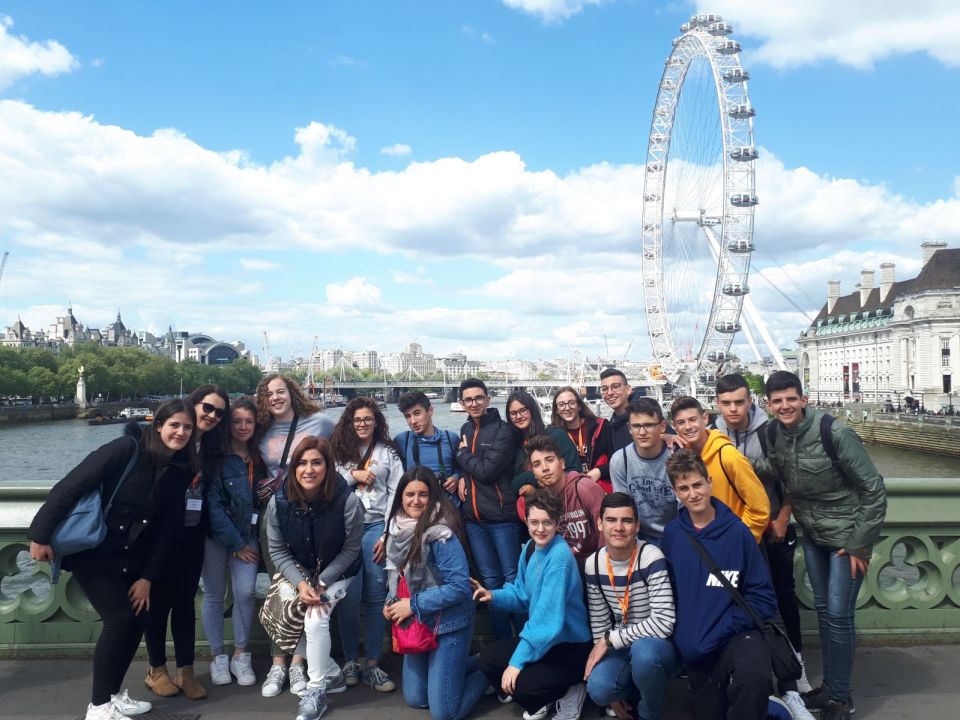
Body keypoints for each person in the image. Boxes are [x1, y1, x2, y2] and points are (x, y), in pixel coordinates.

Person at [29, 400, 197, 720]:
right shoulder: (126, 449)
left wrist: (147, 577)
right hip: (93, 552)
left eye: (188, 427)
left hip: (131, 557)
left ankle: (113, 695)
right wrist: (40, 534)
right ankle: (98, 707)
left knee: (139, 617)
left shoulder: (179, 471)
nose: (181, 432)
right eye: (174, 425)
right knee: (119, 618)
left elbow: (167, 531)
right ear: (158, 425)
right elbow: (71, 485)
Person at [764, 371, 887, 720]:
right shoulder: (774, 434)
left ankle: (842, 699)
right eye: (777, 401)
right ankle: (831, 689)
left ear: (803, 400)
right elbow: (774, 470)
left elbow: (874, 489)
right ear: (769, 405)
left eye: (791, 398)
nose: (785, 406)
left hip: (846, 540)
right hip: (814, 536)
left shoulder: (834, 432)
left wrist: (860, 545)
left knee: (838, 615)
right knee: (825, 613)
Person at [661, 450, 790, 720]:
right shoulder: (673, 534)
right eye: (684, 488)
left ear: (709, 482)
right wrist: (683, 637)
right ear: (675, 492)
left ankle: (764, 703)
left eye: (697, 485)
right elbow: (670, 592)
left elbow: (763, 598)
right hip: (697, 648)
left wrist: (724, 628)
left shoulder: (738, 532)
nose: (693, 494)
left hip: (735, 636)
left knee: (754, 676)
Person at [713, 374, 809, 692]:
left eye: (739, 402)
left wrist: (782, 516)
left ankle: (795, 665)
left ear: (750, 401)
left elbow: (790, 478)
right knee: (732, 598)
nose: (733, 409)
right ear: (717, 404)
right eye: (726, 403)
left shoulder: (770, 432)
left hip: (771, 529)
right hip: (731, 535)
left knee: (782, 596)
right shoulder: (712, 434)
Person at [473, 490, 594, 720]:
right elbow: (522, 594)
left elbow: (547, 623)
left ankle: (573, 687)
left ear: (557, 523)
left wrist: (517, 662)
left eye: (547, 522)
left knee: (523, 685)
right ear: (526, 521)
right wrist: (493, 596)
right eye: (534, 522)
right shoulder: (530, 548)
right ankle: (542, 693)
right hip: (545, 641)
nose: (540, 529)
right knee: (487, 659)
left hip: (570, 645)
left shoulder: (559, 557)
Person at [266, 436, 363, 720]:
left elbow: (351, 550)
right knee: (282, 607)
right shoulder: (279, 502)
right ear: (294, 467)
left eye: (317, 463)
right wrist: (300, 583)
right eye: (302, 463)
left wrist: (322, 583)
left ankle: (316, 690)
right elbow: (277, 550)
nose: (309, 470)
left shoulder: (348, 501)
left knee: (315, 617)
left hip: (339, 570)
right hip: (301, 571)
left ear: (328, 467)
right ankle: (332, 673)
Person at [144, 384, 229, 701]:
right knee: (156, 604)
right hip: (157, 535)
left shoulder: (211, 448)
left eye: (219, 412)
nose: (212, 415)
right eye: (207, 407)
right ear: (193, 403)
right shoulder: (169, 440)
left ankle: (186, 670)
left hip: (192, 535)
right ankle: (156, 669)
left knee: (184, 603)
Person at [383, 467, 487, 720]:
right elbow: (396, 577)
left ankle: (490, 669)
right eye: (409, 494)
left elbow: (460, 588)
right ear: (400, 497)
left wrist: (412, 605)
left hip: (450, 623)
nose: (415, 501)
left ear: (432, 497)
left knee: (445, 713)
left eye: (423, 494)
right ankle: (464, 666)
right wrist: (390, 602)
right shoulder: (396, 531)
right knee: (417, 699)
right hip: (420, 623)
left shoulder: (442, 535)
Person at [256, 373, 336, 698]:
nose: (275, 397)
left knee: (308, 585)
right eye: (269, 394)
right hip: (275, 514)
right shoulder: (260, 430)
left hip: (313, 514)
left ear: (292, 393)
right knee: (280, 586)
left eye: (280, 391)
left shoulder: (321, 422)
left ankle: (298, 663)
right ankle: (278, 663)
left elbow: (343, 453)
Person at [583, 492, 680, 720]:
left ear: (637, 526)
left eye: (626, 520)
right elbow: (599, 622)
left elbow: (664, 623)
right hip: (621, 646)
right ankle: (638, 692)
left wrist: (610, 639)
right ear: (599, 524)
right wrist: (611, 694)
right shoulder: (593, 564)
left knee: (644, 654)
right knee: (598, 688)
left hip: (656, 645)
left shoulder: (650, 557)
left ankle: (649, 712)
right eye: (611, 520)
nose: (619, 527)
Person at [332, 396, 404, 692]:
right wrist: (354, 475)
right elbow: (327, 485)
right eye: (357, 419)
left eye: (367, 419)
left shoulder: (389, 452)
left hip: (376, 526)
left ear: (377, 422)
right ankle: (350, 660)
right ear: (349, 422)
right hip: (346, 529)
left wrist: (388, 534)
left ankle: (373, 663)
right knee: (348, 596)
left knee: (375, 596)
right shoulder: (338, 451)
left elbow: (397, 492)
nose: (362, 424)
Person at [201, 397, 265, 688]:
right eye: (237, 421)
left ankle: (241, 653)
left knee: (245, 592)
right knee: (214, 595)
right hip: (218, 538)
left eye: (248, 421)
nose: (243, 426)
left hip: (247, 535)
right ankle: (218, 656)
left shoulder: (259, 458)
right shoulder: (215, 458)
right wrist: (238, 544)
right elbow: (211, 505)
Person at [454, 378, 520, 641]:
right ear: (462, 403)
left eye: (478, 398)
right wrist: (461, 475)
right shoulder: (465, 429)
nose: (474, 403)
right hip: (473, 519)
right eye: (468, 399)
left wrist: (462, 456)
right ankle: (502, 642)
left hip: (501, 516)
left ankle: (524, 640)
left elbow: (486, 471)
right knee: (489, 582)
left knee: (512, 580)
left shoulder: (503, 431)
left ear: (488, 399)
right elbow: (472, 469)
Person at [669, 396, 769, 543]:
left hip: (733, 541)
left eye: (692, 419)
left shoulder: (729, 456)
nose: (688, 427)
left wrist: (738, 540)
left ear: (705, 419)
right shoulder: (684, 455)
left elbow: (760, 508)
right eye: (681, 422)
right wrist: (663, 436)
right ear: (674, 426)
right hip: (706, 542)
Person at [523, 434, 606, 570]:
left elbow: (607, 533)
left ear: (562, 463)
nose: (544, 468)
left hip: (594, 563)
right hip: (564, 564)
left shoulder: (584, 488)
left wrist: (601, 569)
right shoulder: (543, 500)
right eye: (537, 464)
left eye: (549, 460)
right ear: (533, 472)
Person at [609, 399, 678, 546]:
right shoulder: (620, 460)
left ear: (662, 426)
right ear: (629, 428)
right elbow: (623, 506)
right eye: (636, 426)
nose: (642, 432)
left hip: (677, 533)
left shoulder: (677, 456)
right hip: (639, 536)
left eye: (649, 425)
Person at [506, 389, 581, 498]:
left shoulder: (556, 435)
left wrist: (533, 478)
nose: (518, 416)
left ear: (532, 410)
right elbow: (511, 485)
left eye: (523, 410)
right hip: (530, 506)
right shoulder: (514, 444)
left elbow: (575, 471)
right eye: (513, 413)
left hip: (564, 500)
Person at [393, 390, 461, 506]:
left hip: (449, 507)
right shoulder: (402, 440)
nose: (413, 421)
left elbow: (462, 468)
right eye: (407, 416)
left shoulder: (451, 438)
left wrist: (456, 477)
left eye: (417, 413)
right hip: (417, 508)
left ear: (430, 411)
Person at [550, 386, 614, 492]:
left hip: (600, 486)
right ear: (556, 410)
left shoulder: (601, 427)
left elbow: (616, 461)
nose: (567, 408)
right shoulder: (554, 435)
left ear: (579, 406)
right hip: (569, 488)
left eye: (571, 403)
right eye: (561, 404)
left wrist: (599, 471)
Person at [600, 369, 633, 452]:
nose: (609, 393)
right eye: (604, 389)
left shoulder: (644, 418)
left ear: (628, 389)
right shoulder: (612, 424)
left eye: (615, 387)